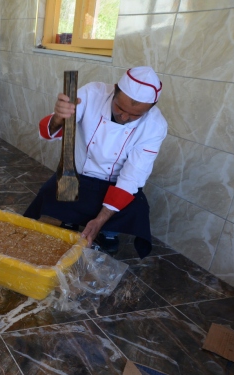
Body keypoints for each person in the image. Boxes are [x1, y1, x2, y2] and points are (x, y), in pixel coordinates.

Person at [24, 66, 168, 257]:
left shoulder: (155, 126)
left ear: (150, 108)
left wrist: (100, 220)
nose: (124, 117)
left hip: (114, 184)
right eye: (119, 108)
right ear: (114, 90)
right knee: (52, 192)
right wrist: (59, 117)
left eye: (135, 115)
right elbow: (54, 129)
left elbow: (132, 177)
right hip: (78, 175)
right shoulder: (92, 93)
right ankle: (69, 219)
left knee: (136, 207)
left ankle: (108, 231)